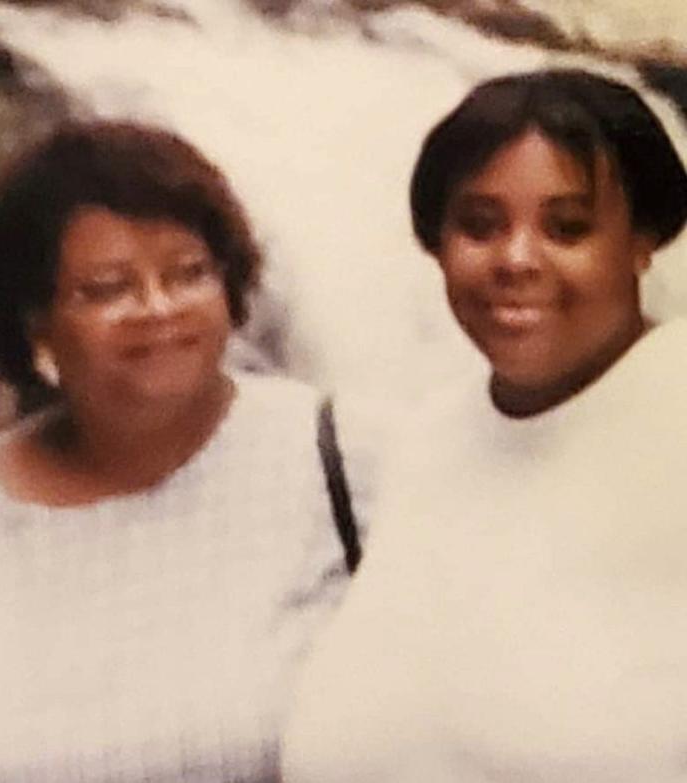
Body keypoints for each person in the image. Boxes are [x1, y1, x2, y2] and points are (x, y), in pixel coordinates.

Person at [0, 120, 368, 783]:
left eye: (187, 275)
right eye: (107, 288)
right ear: (35, 323)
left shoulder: (346, 461)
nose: (156, 308)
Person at [282, 68, 687, 783]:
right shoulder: (431, 437)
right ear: (437, 243)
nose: (516, 260)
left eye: (567, 227)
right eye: (479, 225)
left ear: (642, 240)